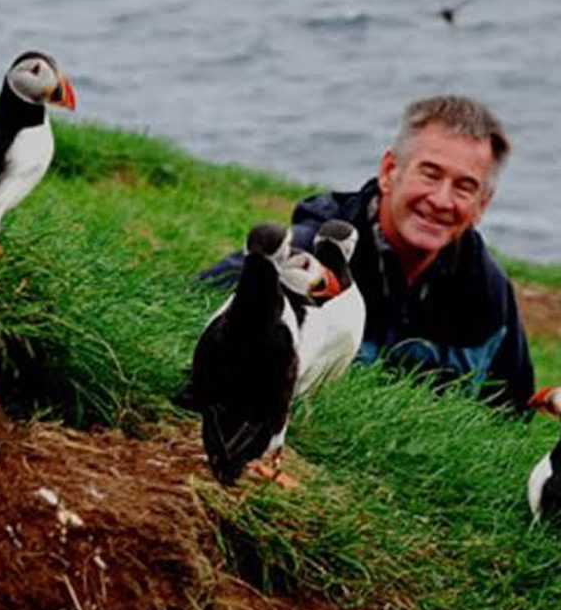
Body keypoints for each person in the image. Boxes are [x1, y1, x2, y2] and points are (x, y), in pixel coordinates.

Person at [199, 95, 535, 413]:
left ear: (482, 205)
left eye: (465, 187)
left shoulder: (492, 294)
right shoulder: (300, 256)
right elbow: (192, 310)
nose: (442, 200)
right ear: (389, 171)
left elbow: (509, 415)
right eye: (430, 174)